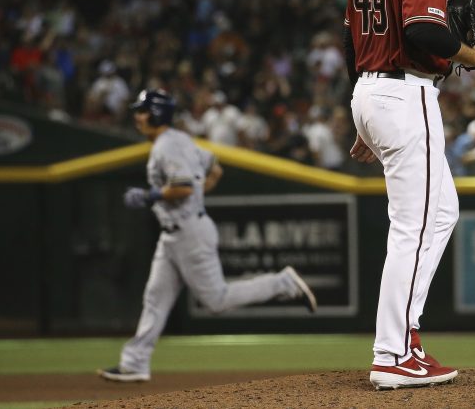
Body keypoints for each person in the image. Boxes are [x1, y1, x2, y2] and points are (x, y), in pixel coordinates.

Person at [342, 0, 475, 390]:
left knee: (440, 212)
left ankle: (406, 331)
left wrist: (362, 114)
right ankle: (392, 354)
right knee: (410, 226)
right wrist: (470, 54)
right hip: (404, 94)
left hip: (371, 88)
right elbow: (424, 27)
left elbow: (351, 37)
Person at [99, 89, 317, 382]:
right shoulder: (181, 140)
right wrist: (194, 195)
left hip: (189, 231)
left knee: (217, 299)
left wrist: (151, 195)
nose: (137, 116)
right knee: (155, 298)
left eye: (142, 110)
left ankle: (283, 283)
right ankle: (135, 362)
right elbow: (215, 169)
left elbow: (184, 186)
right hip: (175, 233)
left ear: (156, 113)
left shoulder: (166, 146)